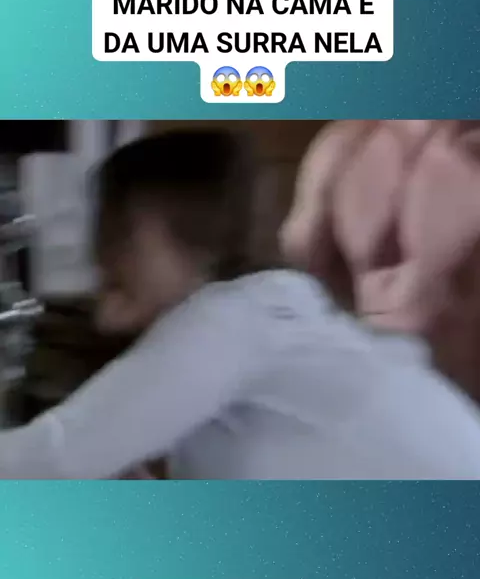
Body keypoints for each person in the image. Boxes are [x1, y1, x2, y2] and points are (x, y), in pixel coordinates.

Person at [1, 127, 480, 480]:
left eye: (115, 232)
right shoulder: (272, 319)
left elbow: (54, 458)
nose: (101, 255)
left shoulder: (239, 316)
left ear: (162, 226)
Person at [280, 119, 480, 403]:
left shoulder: (346, 143)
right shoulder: (343, 145)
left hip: (371, 386)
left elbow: (303, 266)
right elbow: (303, 265)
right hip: (399, 390)